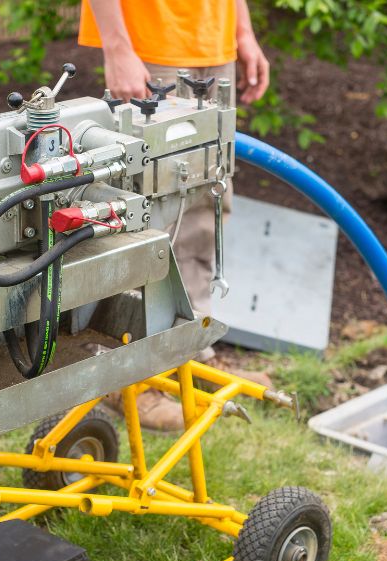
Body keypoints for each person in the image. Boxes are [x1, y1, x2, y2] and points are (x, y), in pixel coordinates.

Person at [79, 0, 272, 429]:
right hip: (150, 45)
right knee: (144, 210)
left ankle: (192, 353)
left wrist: (241, 31)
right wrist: (117, 47)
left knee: (203, 203)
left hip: (212, 42)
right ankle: (128, 374)